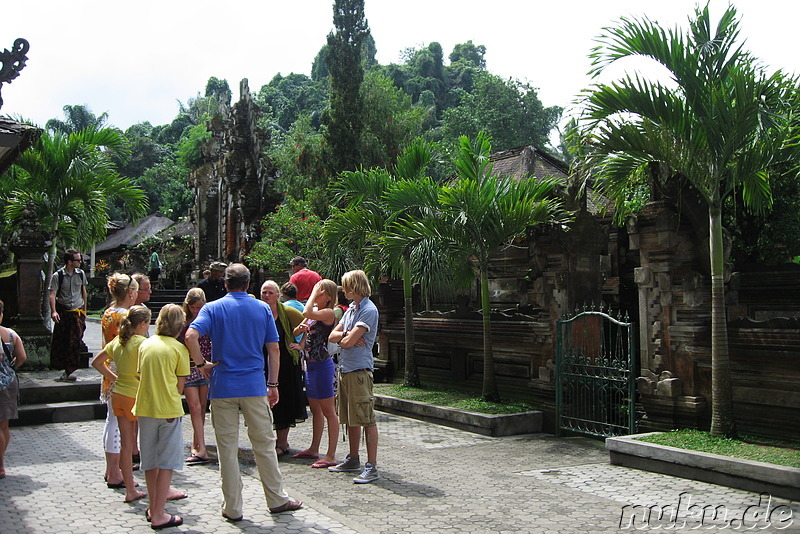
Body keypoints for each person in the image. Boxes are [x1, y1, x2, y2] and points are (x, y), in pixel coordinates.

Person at [184, 263, 302, 521]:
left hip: (222, 387)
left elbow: (190, 336)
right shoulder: (261, 308)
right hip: (253, 386)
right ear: (248, 284)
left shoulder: (212, 308)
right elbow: (274, 350)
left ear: (225, 284)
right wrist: (273, 384)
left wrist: (201, 364)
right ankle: (276, 499)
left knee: (226, 449)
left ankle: (233, 507)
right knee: (265, 445)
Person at [132, 304, 190, 530]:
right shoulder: (178, 349)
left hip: (145, 408)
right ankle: (159, 513)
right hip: (168, 410)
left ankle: (152, 507)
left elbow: (139, 375)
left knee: (149, 461)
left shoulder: (145, 345)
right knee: (166, 463)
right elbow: (180, 387)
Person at [91, 305, 151, 503]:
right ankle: (155, 486)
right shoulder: (142, 343)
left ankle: (130, 488)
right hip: (137, 396)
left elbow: (97, 362)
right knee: (145, 442)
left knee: (125, 444)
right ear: (142, 324)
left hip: (118, 394)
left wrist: (115, 377)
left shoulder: (118, 341)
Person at [328, 269, 381, 483]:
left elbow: (347, 342)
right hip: (345, 368)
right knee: (350, 417)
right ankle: (353, 458)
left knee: (366, 417)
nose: (343, 290)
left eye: (346, 286)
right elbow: (334, 337)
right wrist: (347, 336)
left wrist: (346, 338)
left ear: (355, 286)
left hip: (360, 371)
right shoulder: (351, 309)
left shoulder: (368, 310)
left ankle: (372, 465)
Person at [292, 280, 339, 468]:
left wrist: (312, 295)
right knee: (316, 410)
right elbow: (298, 330)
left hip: (322, 365)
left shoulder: (328, 313)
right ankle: (314, 448)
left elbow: (306, 312)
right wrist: (300, 335)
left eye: (319, 292)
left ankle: (331, 454)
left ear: (327, 296)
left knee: (329, 411)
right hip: (310, 365)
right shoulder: (313, 314)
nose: (315, 295)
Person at [100, 273, 139, 488]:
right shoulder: (126, 315)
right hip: (122, 372)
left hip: (109, 370)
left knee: (111, 422)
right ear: (131, 293)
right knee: (117, 426)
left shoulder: (108, 312)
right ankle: (115, 471)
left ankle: (111, 468)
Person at [260, 280, 307, 457]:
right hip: (263, 362)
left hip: (286, 363)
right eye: (264, 292)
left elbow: (307, 323)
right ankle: (267, 441)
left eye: (270, 292)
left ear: (278, 295)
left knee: (284, 401)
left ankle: (282, 442)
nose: (267, 296)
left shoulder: (286, 311)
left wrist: (300, 344)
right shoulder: (258, 311)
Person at [178, 288, 211, 464]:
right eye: (193, 307)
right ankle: (200, 446)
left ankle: (197, 442)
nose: (196, 311)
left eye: (199, 307)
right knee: (194, 407)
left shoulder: (207, 319)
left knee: (202, 406)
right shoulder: (183, 322)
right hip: (188, 368)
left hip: (204, 367)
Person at [49, 249, 88, 382]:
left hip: (77, 312)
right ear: (70, 262)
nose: (80, 262)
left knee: (75, 340)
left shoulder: (81, 274)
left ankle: (70, 369)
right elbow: (52, 294)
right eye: (77, 260)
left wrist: (84, 311)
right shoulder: (58, 275)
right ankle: (63, 368)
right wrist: (53, 311)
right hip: (64, 311)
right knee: (63, 341)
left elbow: (84, 292)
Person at [0, 299, 27, 479]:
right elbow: (22, 357)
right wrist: (10, 369)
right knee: (4, 426)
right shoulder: (11, 334)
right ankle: (1, 463)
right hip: (8, 383)